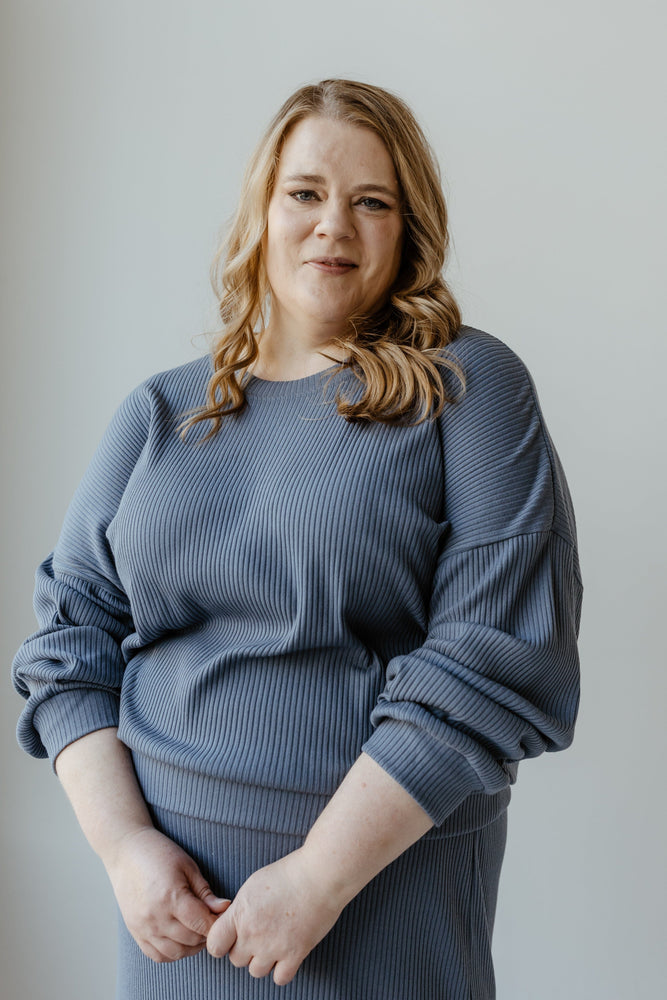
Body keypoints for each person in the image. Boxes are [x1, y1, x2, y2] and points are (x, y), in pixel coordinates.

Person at [11, 78, 583, 1000]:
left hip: (386, 893)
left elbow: (497, 658)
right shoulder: (159, 413)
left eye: (371, 202)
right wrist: (125, 851)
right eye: (306, 194)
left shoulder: (467, 388)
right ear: (262, 211)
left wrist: (318, 879)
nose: (334, 227)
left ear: (409, 229)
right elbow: (66, 650)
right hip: (174, 909)